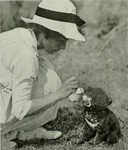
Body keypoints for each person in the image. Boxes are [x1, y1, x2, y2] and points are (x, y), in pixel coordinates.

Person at [0, 0, 85, 149]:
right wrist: (59, 94)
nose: (63, 47)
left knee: (48, 75)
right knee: (52, 88)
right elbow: (21, 109)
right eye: (61, 41)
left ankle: (20, 131)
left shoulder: (20, 34)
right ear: (45, 33)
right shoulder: (26, 57)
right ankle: (9, 132)